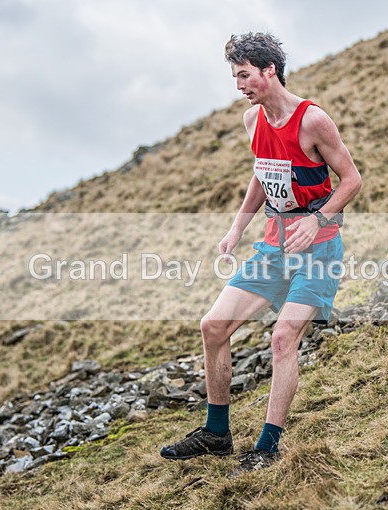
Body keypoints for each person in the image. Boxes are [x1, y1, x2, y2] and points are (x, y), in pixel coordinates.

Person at [160, 32, 361, 477]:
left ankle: (267, 446)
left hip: (317, 247)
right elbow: (263, 172)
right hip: (273, 244)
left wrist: (318, 220)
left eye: (244, 75)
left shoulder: (313, 121)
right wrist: (237, 227)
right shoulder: (253, 121)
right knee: (213, 326)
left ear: (270, 70)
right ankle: (216, 434)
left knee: (282, 337)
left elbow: (351, 180)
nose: (239, 86)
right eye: (235, 76)